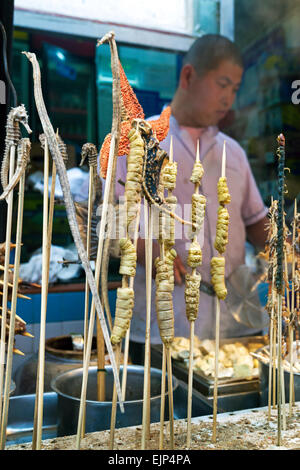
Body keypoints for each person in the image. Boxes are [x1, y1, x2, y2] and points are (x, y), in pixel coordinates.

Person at [114, 34, 269, 364]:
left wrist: (285, 250)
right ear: (188, 76)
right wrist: (151, 251)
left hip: (232, 326)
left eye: (235, 89)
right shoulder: (139, 144)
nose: (228, 98)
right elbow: (115, 227)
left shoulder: (233, 152)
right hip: (164, 327)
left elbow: (257, 221)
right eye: (222, 84)